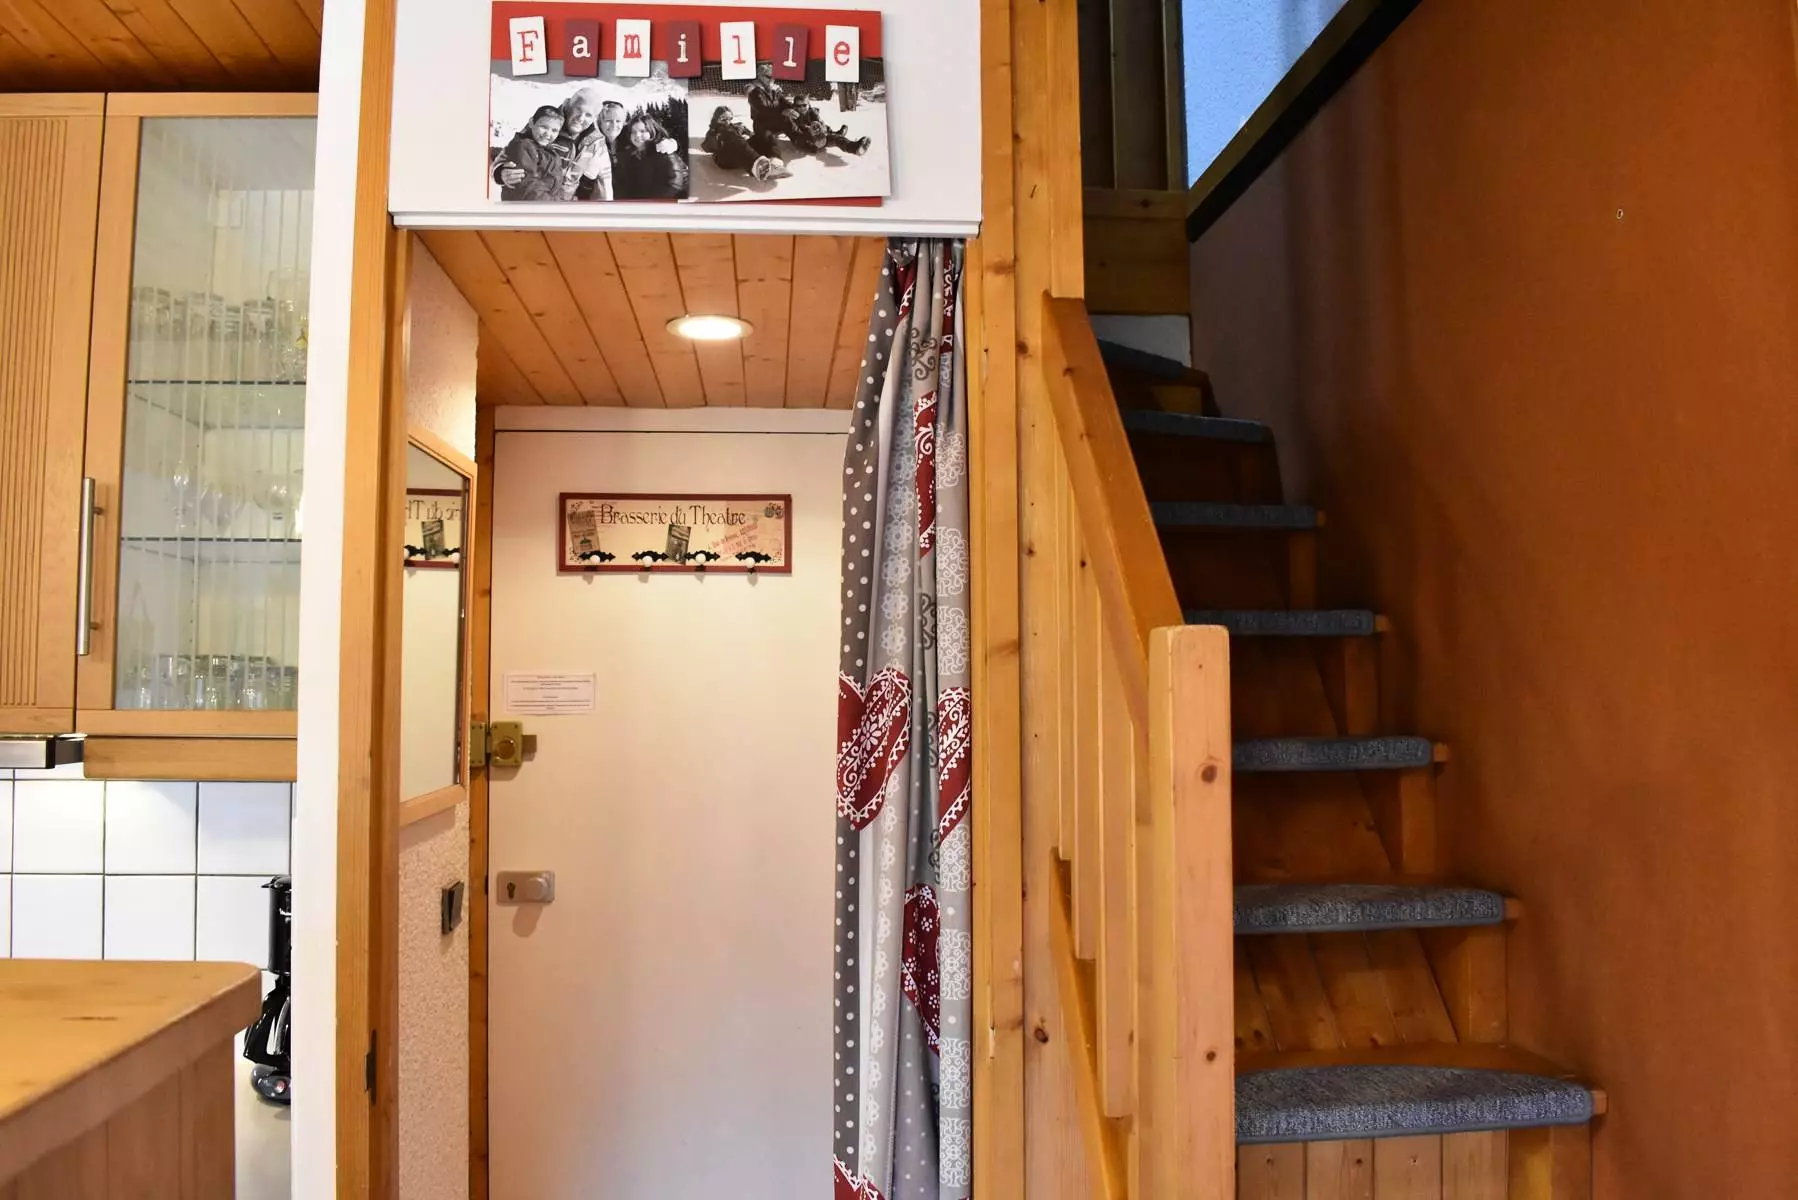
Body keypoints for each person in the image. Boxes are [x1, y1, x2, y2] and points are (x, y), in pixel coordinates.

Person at [493, 88, 610, 201]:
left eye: (588, 115)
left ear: (594, 118)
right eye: (578, 110)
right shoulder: (547, 123)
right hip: (535, 200)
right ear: (568, 105)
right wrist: (500, 172)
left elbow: (604, 181)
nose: (581, 118)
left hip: (565, 204)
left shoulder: (596, 141)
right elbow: (511, 151)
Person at [492, 105, 566, 201]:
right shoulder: (523, 146)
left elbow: (558, 184)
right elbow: (528, 186)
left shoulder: (552, 154)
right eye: (544, 127)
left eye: (554, 130)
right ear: (531, 123)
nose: (548, 134)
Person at [612, 113, 689, 199]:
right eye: (633, 132)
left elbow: (674, 184)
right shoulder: (631, 157)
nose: (637, 135)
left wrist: (652, 203)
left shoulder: (663, 151)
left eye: (642, 131)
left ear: (652, 132)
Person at [700, 106, 785, 182]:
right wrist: (717, 137)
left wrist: (745, 136)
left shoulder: (737, 127)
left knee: (766, 134)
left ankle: (776, 164)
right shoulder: (713, 132)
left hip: (741, 151)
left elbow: (753, 136)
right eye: (723, 119)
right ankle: (759, 167)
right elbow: (707, 147)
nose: (727, 122)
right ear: (716, 119)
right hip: (724, 158)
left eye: (729, 118)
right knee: (730, 133)